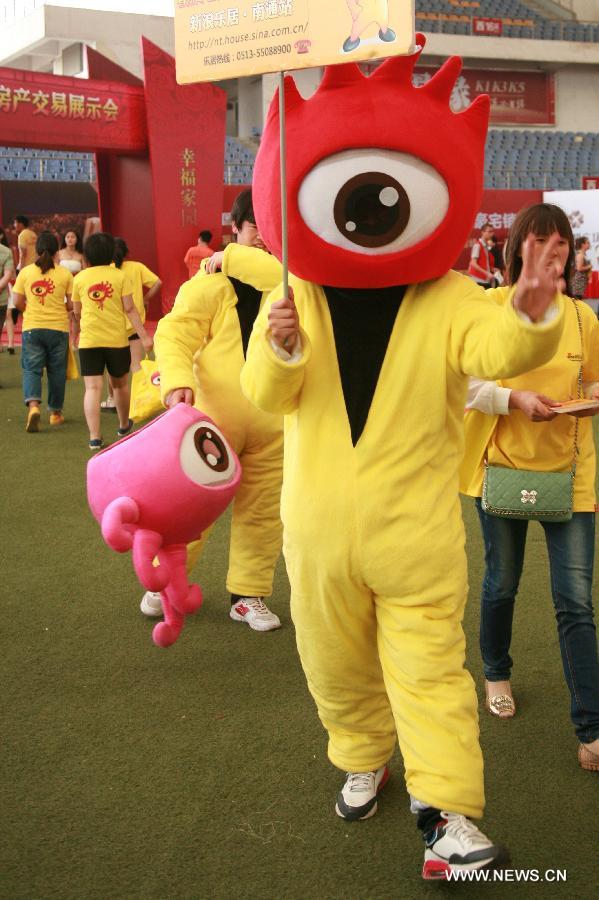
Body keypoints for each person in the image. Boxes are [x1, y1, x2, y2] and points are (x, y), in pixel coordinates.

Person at [241, 51, 567, 879]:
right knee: (333, 661)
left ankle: (446, 811)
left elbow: (494, 343)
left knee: (428, 672)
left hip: (413, 538)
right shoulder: (294, 295)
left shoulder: (450, 296)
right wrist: (278, 352)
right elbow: (263, 395)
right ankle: (360, 754)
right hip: (315, 538)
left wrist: (531, 317)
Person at [460, 203, 599, 774]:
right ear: (518, 248)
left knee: (577, 603)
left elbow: (591, 379)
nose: (552, 250)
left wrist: (587, 398)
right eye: (540, 241)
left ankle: (591, 728)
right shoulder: (489, 307)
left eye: (560, 242)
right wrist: (513, 399)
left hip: (572, 474)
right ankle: (496, 670)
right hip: (502, 464)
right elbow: (464, 384)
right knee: (501, 583)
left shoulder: (583, 317)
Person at [143, 190, 284, 632]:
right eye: (255, 224)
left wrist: (231, 258)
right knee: (191, 510)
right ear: (237, 227)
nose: (262, 236)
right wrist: (178, 383)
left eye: (272, 225)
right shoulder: (208, 285)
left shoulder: (291, 288)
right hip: (212, 422)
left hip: (274, 425)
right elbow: (173, 335)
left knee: (262, 514)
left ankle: (248, 595)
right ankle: (163, 579)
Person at [71, 232, 153, 450]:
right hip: (117, 341)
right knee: (120, 385)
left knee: (92, 388)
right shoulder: (119, 276)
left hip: (89, 341)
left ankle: (94, 437)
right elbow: (130, 308)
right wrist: (144, 335)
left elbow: (77, 312)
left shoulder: (79, 279)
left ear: (87, 255)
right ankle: (124, 426)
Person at [11, 232, 72, 431]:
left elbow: (18, 302)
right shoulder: (64, 274)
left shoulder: (26, 273)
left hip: (32, 329)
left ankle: (33, 407)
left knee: (32, 369)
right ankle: (55, 413)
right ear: (57, 250)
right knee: (57, 371)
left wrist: (30, 310)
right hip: (58, 329)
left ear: (36, 251)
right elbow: (71, 304)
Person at [100, 239, 162, 411]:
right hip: (135, 326)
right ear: (126, 251)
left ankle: (112, 399)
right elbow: (158, 283)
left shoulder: (106, 271)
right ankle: (138, 400)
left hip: (113, 326)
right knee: (136, 365)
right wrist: (146, 299)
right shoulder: (137, 267)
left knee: (113, 368)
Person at [0, 227, 15, 355]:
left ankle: (10, 343)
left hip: (4, 289)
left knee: (8, 314)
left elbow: (9, 274)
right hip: (4, 288)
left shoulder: (6, 252)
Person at [468, 221, 495, 288]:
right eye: (489, 231)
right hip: (478, 280)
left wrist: (492, 269)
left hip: (485, 279)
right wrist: (486, 273)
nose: (491, 234)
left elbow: (484, 263)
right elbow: (473, 263)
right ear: (482, 232)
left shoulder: (485, 246)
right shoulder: (477, 245)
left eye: (492, 232)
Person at [569, 236, 592, 300]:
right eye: (587, 243)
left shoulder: (582, 254)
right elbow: (579, 268)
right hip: (578, 283)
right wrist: (589, 266)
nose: (589, 244)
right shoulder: (580, 255)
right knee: (577, 301)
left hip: (580, 283)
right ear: (583, 245)